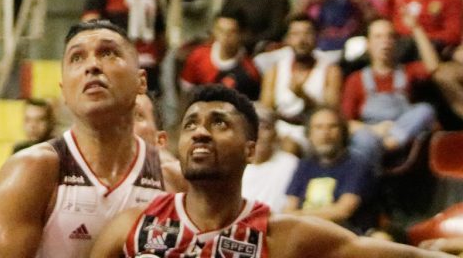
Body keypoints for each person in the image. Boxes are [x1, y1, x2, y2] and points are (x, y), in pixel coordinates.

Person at [88, 86, 439, 258]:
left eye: (219, 123)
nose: (200, 132)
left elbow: (380, 253)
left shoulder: (280, 235)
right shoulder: (133, 226)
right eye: (191, 124)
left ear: (250, 150)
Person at [0, 21, 167, 257]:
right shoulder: (32, 169)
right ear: (63, 90)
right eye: (77, 58)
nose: (92, 66)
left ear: (141, 81)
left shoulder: (171, 176)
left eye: (108, 53)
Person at [341, 18, 436, 169]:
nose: (385, 42)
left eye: (390, 36)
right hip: (371, 136)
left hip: (401, 138)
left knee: (425, 110)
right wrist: (376, 130)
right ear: (368, 44)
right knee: (363, 138)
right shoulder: (356, 79)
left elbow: (433, 66)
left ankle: (390, 143)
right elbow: (346, 123)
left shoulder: (407, 72)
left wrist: (417, 29)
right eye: (378, 37)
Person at [285, 106, 378, 234]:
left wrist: (298, 216)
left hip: (346, 234)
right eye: (319, 127)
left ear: (343, 132)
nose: (325, 133)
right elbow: (289, 207)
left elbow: (342, 211)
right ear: (309, 134)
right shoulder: (305, 165)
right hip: (307, 233)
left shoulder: (357, 164)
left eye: (332, 127)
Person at [260, 15, 343, 150]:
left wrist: (303, 96)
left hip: (314, 130)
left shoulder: (330, 70)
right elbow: (266, 110)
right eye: (295, 34)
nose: (301, 40)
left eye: (307, 33)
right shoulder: (275, 70)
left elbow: (331, 111)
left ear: (316, 37)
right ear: (287, 39)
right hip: (280, 129)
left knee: (291, 146)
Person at [180, 13, 261, 99]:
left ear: (242, 34)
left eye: (231, 32)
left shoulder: (250, 70)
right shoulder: (197, 57)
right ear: (214, 31)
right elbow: (185, 95)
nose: (225, 37)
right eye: (221, 31)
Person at [242, 104, 299, 212]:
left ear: (275, 134)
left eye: (265, 128)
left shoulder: (291, 165)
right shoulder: (232, 168)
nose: (258, 134)